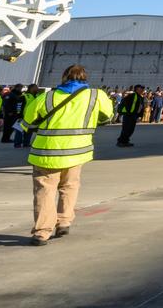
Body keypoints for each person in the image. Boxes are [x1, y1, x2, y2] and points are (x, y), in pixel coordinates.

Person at [17, 64, 113, 246]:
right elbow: (107, 117)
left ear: (63, 77)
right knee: (70, 186)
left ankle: (42, 232)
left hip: (47, 151)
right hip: (77, 151)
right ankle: (64, 221)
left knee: (45, 191)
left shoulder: (47, 96)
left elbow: (28, 122)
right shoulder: (96, 95)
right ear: (85, 77)